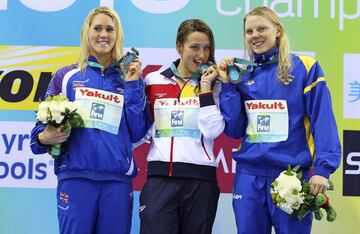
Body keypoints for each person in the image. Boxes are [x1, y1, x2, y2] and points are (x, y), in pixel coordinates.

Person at [218, 6, 341, 234]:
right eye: (249, 31)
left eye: (262, 28)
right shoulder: (243, 74)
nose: (255, 35)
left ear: (278, 31)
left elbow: (323, 120)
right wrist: (228, 86)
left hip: (290, 176)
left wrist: (322, 170)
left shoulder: (305, 67)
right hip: (249, 175)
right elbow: (234, 129)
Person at [30, 7, 151, 234]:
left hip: (117, 182)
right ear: (87, 32)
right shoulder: (65, 76)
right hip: (75, 179)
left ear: (118, 35)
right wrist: (45, 137)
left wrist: (133, 85)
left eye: (109, 29)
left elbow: (137, 132)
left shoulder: (130, 78)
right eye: (97, 28)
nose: (103, 34)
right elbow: (37, 135)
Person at [139, 19, 225, 234]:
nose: (202, 55)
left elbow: (213, 130)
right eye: (194, 47)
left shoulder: (216, 84)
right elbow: (140, 131)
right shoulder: (153, 80)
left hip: (201, 181)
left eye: (207, 48)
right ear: (179, 46)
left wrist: (205, 87)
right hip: (160, 180)